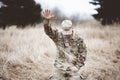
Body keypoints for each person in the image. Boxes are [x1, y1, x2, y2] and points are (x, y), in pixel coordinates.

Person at [42, 9, 87, 80]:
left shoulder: (79, 39)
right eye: (65, 33)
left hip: (73, 67)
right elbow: (48, 31)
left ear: (72, 29)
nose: (66, 35)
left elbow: (83, 54)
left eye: (68, 33)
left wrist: (77, 66)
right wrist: (46, 21)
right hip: (60, 67)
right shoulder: (57, 35)